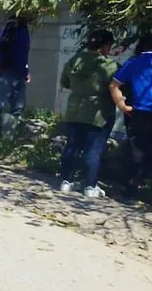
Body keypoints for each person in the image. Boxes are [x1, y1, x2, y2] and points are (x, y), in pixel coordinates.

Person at [57, 29, 118, 199]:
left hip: (75, 109)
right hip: (99, 112)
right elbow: (119, 88)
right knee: (93, 150)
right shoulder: (110, 66)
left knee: (72, 146)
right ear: (105, 46)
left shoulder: (74, 60)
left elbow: (65, 82)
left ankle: (66, 182)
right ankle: (90, 186)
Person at [0, 12, 32, 150]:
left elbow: (22, 54)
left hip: (18, 73)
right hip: (5, 72)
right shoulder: (13, 26)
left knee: (17, 107)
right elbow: (3, 46)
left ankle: (6, 142)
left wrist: (26, 71)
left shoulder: (24, 29)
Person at [110, 33, 152, 198]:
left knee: (136, 151)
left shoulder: (134, 62)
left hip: (139, 112)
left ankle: (131, 190)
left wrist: (122, 105)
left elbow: (114, 85)